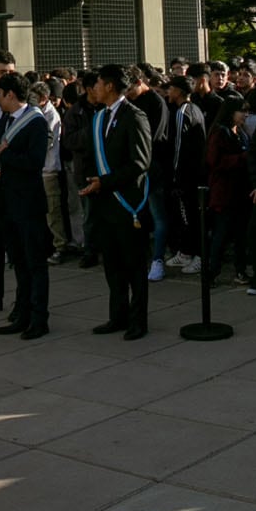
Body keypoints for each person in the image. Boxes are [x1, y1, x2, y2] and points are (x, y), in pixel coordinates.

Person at [84, 66, 155, 340]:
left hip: (127, 203)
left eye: (98, 83)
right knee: (112, 265)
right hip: (104, 203)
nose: (95, 89)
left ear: (111, 86)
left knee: (134, 266)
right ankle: (118, 316)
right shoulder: (100, 117)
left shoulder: (135, 116)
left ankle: (139, 320)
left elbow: (140, 162)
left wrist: (107, 182)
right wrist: (94, 180)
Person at [0, 72, 52, 338]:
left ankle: (39, 318)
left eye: (0, 95)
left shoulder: (35, 122)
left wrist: (7, 156)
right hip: (8, 203)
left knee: (35, 264)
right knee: (19, 263)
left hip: (29, 204)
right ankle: (21, 313)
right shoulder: (6, 121)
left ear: (11, 94)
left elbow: (34, 163)